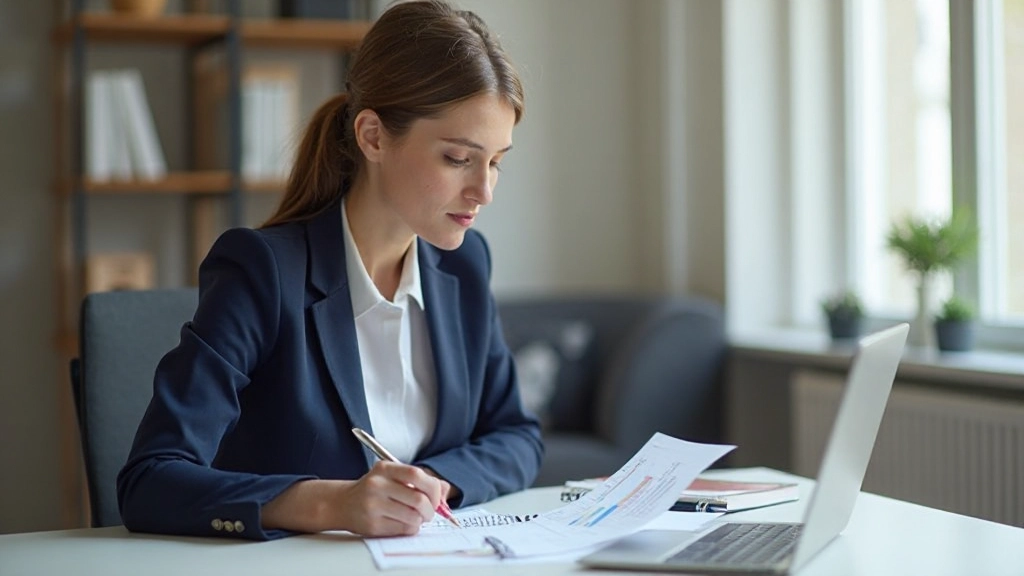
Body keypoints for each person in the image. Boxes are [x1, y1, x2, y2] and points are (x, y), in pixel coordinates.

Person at [116, 0, 543, 541]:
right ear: (373, 137)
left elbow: (516, 436)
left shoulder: (463, 263)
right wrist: (332, 504)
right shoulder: (262, 271)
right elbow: (149, 482)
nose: (484, 190)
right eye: (458, 158)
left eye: (497, 161)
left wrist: (429, 483)